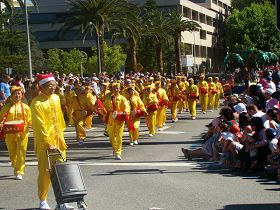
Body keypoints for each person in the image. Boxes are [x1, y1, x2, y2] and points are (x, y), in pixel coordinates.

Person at [31, 74, 76, 210]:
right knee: (45, 172)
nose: (53, 88)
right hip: (45, 143)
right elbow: (39, 126)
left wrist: (61, 136)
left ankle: (62, 202)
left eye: (54, 85)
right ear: (41, 87)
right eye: (50, 86)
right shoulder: (37, 103)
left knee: (61, 172)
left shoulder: (56, 98)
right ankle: (43, 200)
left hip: (58, 141)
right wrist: (47, 142)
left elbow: (60, 119)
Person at [0, 86, 31, 180]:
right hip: (9, 133)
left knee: (21, 152)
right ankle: (15, 165)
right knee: (12, 153)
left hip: (23, 133)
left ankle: (19, 171)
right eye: (15, 94)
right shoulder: (6, 107)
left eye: (19, 94)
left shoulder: (26, 107)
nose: (17, 95)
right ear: (11, 95)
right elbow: (1, 118)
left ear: (22, 95)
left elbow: (30, 120)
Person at [104, 82, 130, 160]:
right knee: (111, 136)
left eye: (117, 88)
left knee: (119, 136)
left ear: (119, 89)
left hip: (119, 118)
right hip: (111, 118)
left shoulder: (122, 98)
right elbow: (104, 106)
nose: (116, 89)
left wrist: (125, 112)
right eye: (114, 88)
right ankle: (115, 148)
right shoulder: (108, 98)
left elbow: (127, 107)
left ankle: (118, 152)